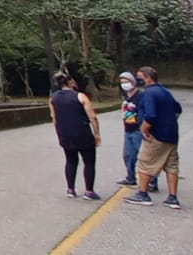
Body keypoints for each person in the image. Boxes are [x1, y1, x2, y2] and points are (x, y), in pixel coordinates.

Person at [126, 66, 182, 210]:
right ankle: (173, 197)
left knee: (145, 163)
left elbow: (150, 115)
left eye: (139, 77)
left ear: (148, 77)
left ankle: (143, 194)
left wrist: (144, 130)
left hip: (156, 136)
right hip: (172, 135)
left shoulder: (148, 94)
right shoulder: (165, 92)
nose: (137, 80)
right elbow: (178, 109)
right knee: (172, 166)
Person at [48, 72, 102, 200]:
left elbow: (54, 118)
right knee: (89, 162)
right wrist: (97, 134)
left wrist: (59, 134)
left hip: (66, 135)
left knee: (70, 161)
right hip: (83, 133)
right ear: (70, 82)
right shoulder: (80, 96)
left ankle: (70, 189)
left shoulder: (53, 98)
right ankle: (89, 191)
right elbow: (92, 117)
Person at [115, 71, 159, 192]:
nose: (124, 84)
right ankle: (130, 177)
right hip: (128, 129)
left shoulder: (141, 96)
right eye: (122, 82)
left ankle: (152, 182)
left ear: (133, 83)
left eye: (127, 82)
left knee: (145, 157)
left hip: (138, 130)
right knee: (128, 155)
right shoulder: (125, 96)